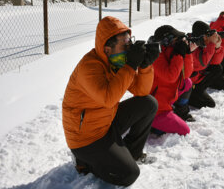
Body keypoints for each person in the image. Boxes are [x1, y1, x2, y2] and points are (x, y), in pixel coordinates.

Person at [62, 16, 159, 187]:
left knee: (149, 103)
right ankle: (86, 162)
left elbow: (141, 91)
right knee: (129, 174)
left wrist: (145, 66)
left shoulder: (116, 61)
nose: (129, 49)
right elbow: (108, 99)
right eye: (125, 45)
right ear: (107, 49)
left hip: (106, 122)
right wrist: (130, 66)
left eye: (130, 43)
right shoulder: (89, 67)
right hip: (86, 138)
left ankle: (131, 153)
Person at [149, 25, 196, 136]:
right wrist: (179, 55)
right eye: (176, 39)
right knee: (185, 130)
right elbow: (171, 77)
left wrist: (187, 53)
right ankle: (151, 124)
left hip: (167, 98)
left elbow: (186, 75)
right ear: (167, 41)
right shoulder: (156, 54)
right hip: (157, 108)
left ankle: (178, 111)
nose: (179, 42)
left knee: (187, 82)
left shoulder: (170, 50)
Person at [188, 21, 224, 109]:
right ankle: (189, 98)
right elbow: (202, 64)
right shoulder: (191, 45)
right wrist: (211, 44)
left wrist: (218, 47)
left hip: (199, 79)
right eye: (207, 35)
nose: (209, 37)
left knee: (217, 68)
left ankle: (199, 90)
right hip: (191, 83)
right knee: (210, 104)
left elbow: (215, 62)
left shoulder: (204, 43)